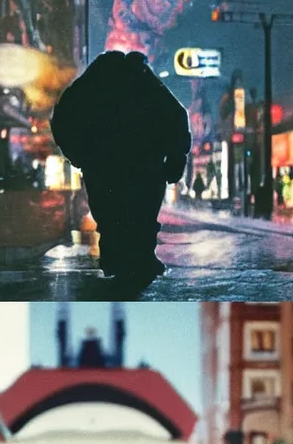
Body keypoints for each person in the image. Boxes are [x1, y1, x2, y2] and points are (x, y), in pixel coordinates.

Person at [50, 51, 191, 287]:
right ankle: (139, 260)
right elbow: (176, 117)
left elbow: (62, 118)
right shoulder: (145, 82)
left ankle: (117, 259)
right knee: (141, 216)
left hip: (103, 166)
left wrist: (79, 155)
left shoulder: (91, 84)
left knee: (111, 216)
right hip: (145, 165)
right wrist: (176, 158)